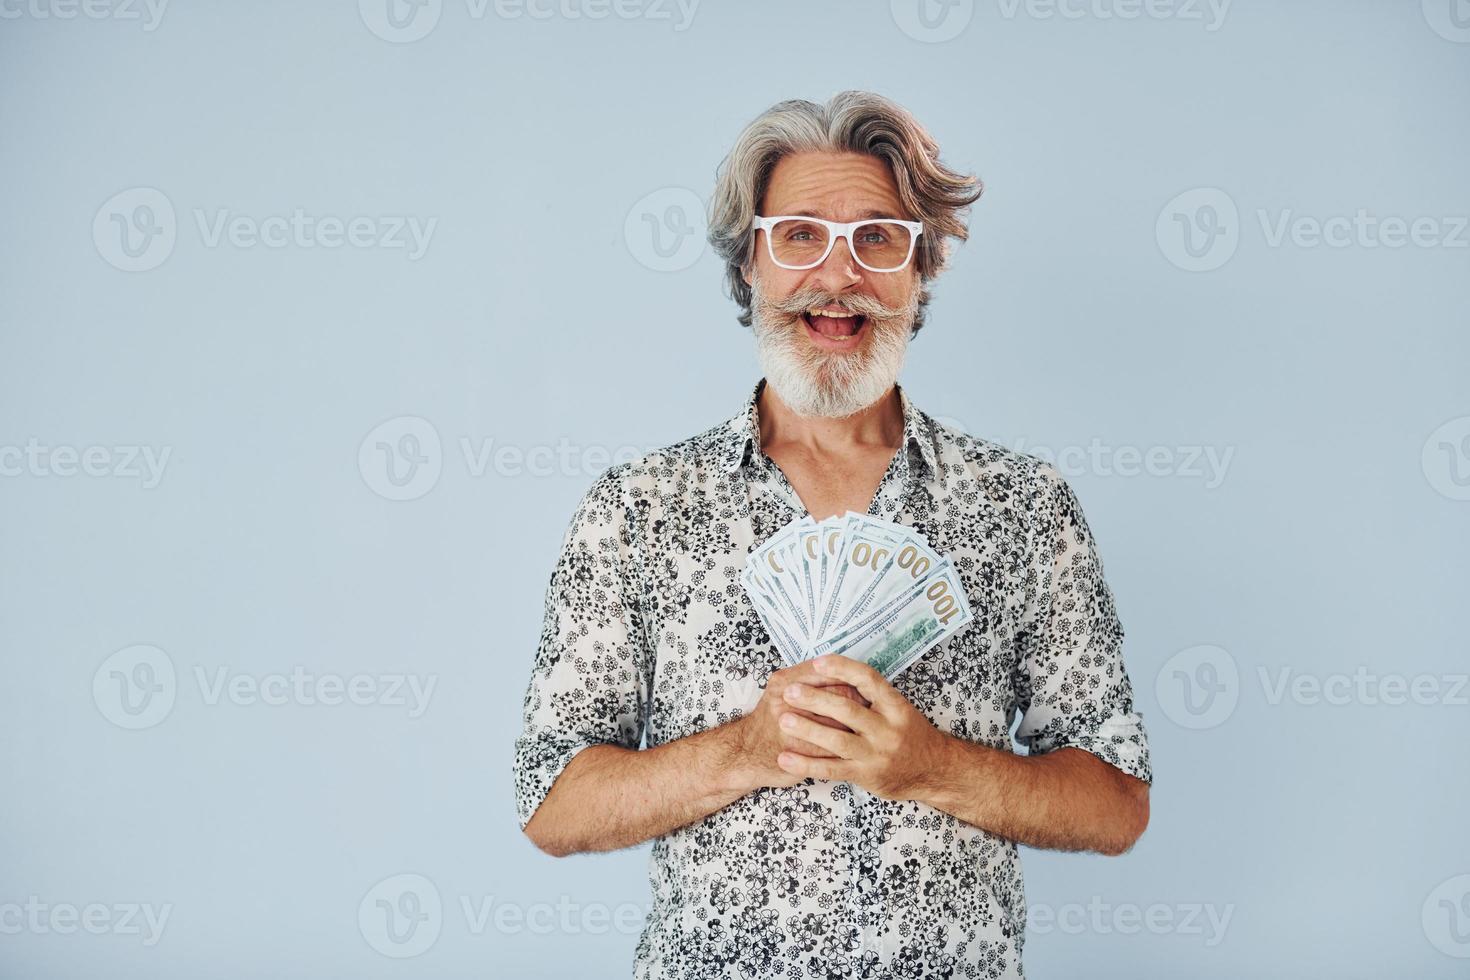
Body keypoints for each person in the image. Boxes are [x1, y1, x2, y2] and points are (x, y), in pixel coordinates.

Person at [512, 89, 1152, 980]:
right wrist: (744, 750)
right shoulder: (637, 509)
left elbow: (1116, 803)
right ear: (750, 266)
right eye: (800, 234)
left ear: (922, 269)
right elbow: (553, 803)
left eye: (878, 238)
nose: (839, 275)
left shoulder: (1023, 504)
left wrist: (932, 766)